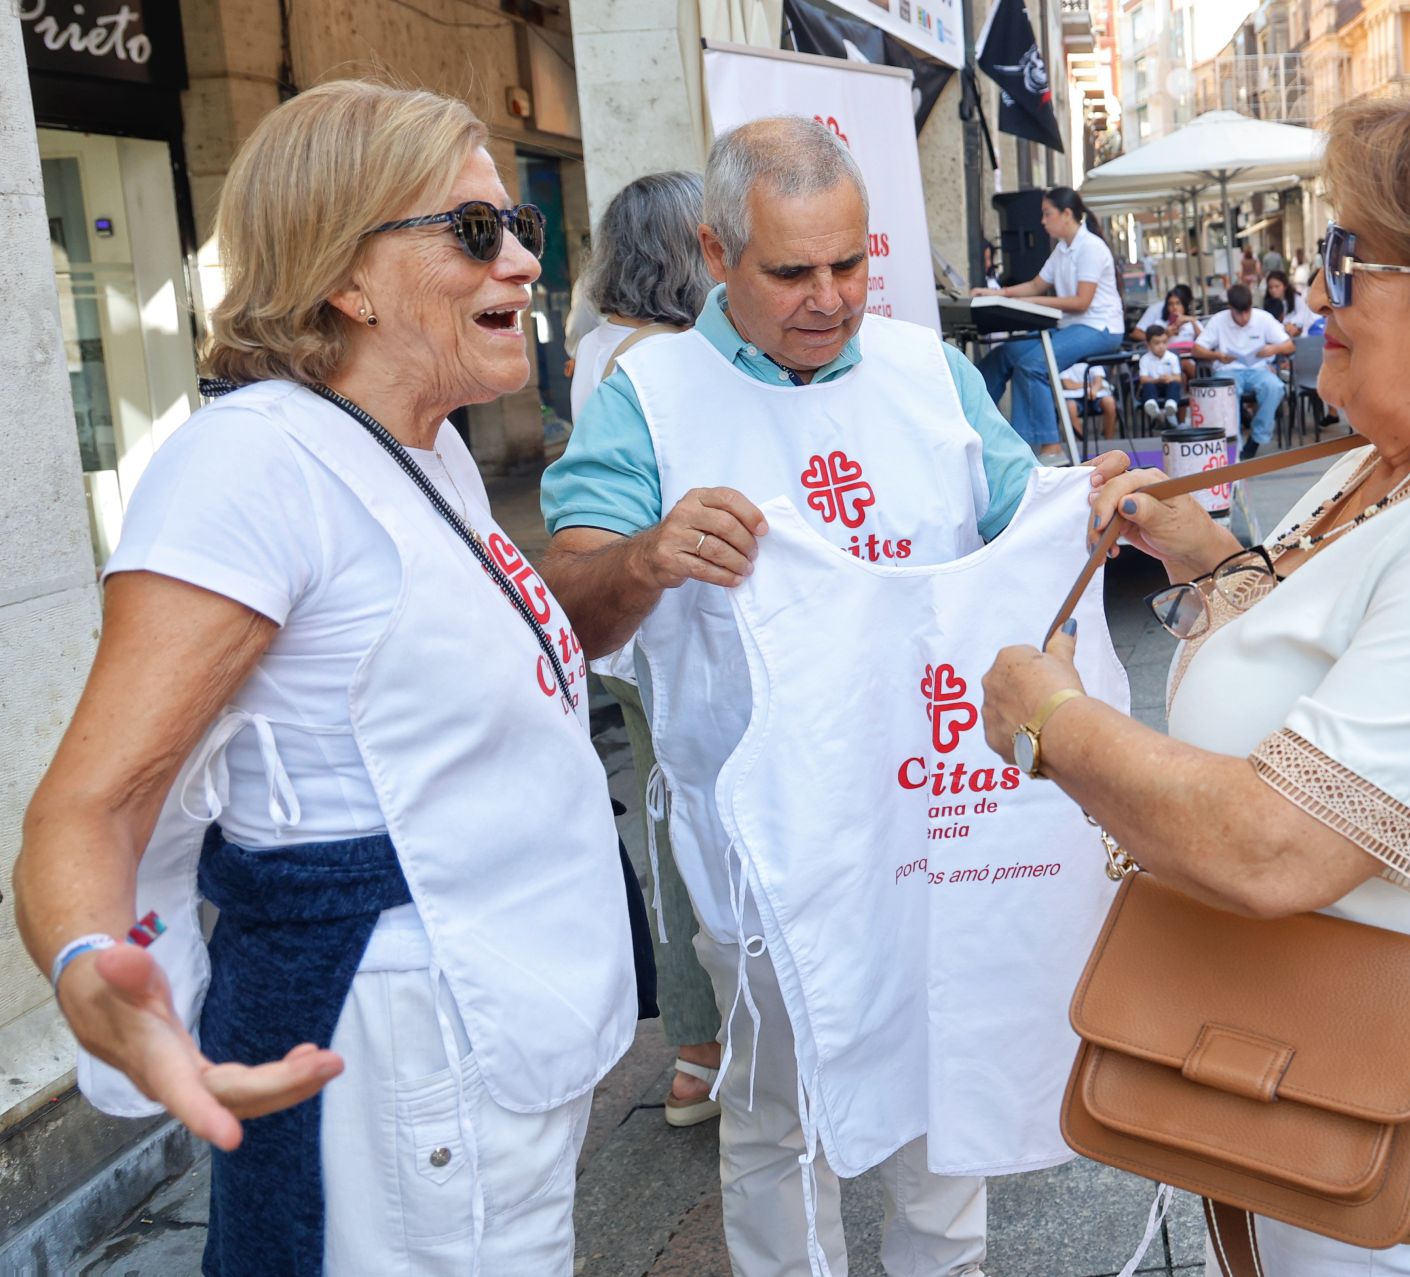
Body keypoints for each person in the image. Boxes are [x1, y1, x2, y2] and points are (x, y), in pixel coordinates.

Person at [980, 87, 1410, 1275]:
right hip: (1295, 1060)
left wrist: (1052, 721)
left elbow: (1276, 844)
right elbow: (1335, 655)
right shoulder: (1394, 464)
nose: (1309, 291)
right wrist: (1209, 560)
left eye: (1346, 259)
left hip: (1399, 1126)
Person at [12, 80, 636, 1272]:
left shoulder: (426, 444)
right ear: (346, 278)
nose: (518, 261)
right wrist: (95, 968)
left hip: (484, 1024)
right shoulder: (250, 467)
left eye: (522, 228)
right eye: (472, 229)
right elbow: (87, 803)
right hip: (399, 1054)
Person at [538, 116, 1035, 1277]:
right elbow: (565, 600)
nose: (831, 297)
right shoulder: (650, 395)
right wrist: (649, 554)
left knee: (945, 1069)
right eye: (792, 270)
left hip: (933, 805)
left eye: (851, 263)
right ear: (717, 255)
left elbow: (1026, 531)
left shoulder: (931, 372)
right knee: (774, 1109)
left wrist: (1095, 518)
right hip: (758, 832)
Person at [566, 170, 728, 1128]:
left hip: (627, 647)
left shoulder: (595, 346)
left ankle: (694, 1054)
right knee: (692, 829)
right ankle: (707, 1051)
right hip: (667, 632)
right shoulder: (669, 362)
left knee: (670, 830)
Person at [973, 186, 1125, 463]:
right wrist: (998, 294)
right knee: (1007, 353)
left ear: (1067, 214)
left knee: (1033, 365)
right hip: (1073, 327)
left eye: (1047, 214)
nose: (1042, 221)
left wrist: (1035, 302)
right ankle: (972, 424)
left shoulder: (1090, 248)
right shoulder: (1063, 250)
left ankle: (1051, 449)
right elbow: (1035, 284)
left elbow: (1082, 302)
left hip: (1102, 328)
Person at [1192, 282, 1293, 457]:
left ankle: (1257, 436)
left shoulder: (1263, 318)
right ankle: (1234, 445)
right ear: (1230, 308)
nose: (1244, 317)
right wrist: (1218, 356)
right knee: (1227, 392)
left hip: (1258, 369)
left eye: (1247, 311)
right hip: (1228, 370)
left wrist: (1273, 349)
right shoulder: (1218, 320)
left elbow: (1290, 345)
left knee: (1275, 387)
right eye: (1239, 313)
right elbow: (1197, 349)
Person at [1136, 324, 1185, 423]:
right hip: (1154, 386)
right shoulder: (1145, 359)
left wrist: (1170, 378)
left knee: (1175, 384)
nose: (1161, 346)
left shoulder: (1172, 357)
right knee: (1147, 385)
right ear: (1148, 345)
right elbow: (1143, 379)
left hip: (1168, 386)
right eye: (1157, 343)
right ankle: (1152, 405)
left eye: (1164, 342)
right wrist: (1157, 380)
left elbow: (1178, 377)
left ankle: (1171, 404)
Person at [1061, 360, 1118, 439]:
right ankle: (1083, 442)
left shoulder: (1091, 355)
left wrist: (1094, 389)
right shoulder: (1065, 360)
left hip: (1096, 396)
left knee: (1109, 402)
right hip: (1073, 397)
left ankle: (1109, 441)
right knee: (1069, 407)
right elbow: (1068, 385)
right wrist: (1091, 384)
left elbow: (1098, 382)